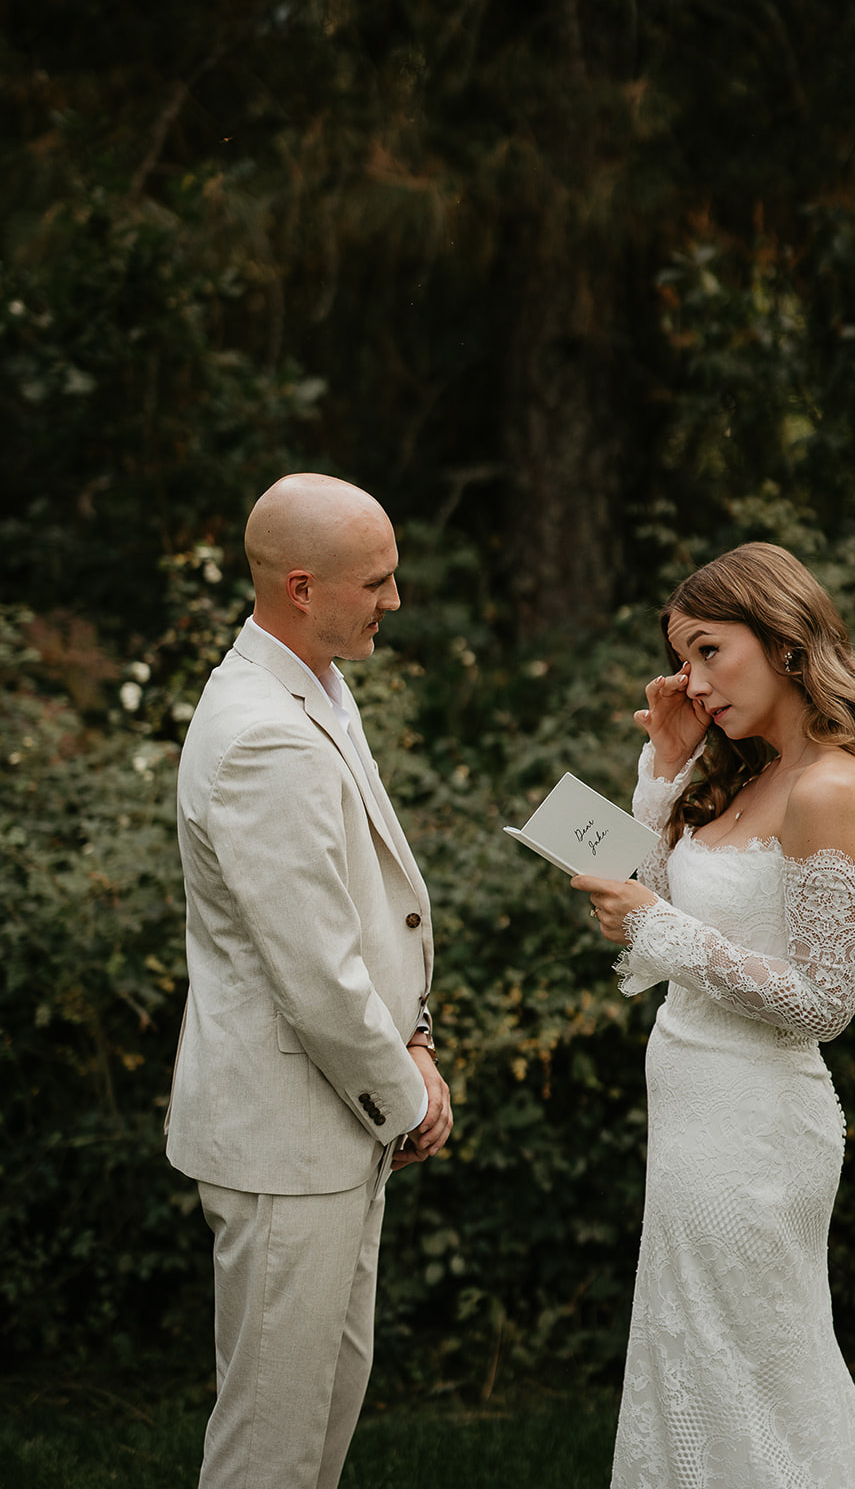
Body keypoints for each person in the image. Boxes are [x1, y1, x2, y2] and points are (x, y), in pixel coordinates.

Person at [572, 541, 855, 1489]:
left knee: (759, 1378)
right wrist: (661, 765)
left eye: (708, 651)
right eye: (681, 658)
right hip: (691, 1108)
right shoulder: (743, 775)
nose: (691, 682)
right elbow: (644, 904)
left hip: (756, 1130)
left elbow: (824, 1002)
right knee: (688, 1362)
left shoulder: (834, 787)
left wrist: (657, 923)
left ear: (783, 640)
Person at [165, 473, 452, 1489]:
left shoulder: (315, 682)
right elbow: (316, 972)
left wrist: (415, 1041)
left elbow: (369, 914)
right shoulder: (263, 736)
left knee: (322, 1409)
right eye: (376, 581)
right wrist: (404, 1094)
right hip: (287, 1135)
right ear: (299, 585)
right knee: (270, 1445)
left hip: (332, 1125)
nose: (394, 599)